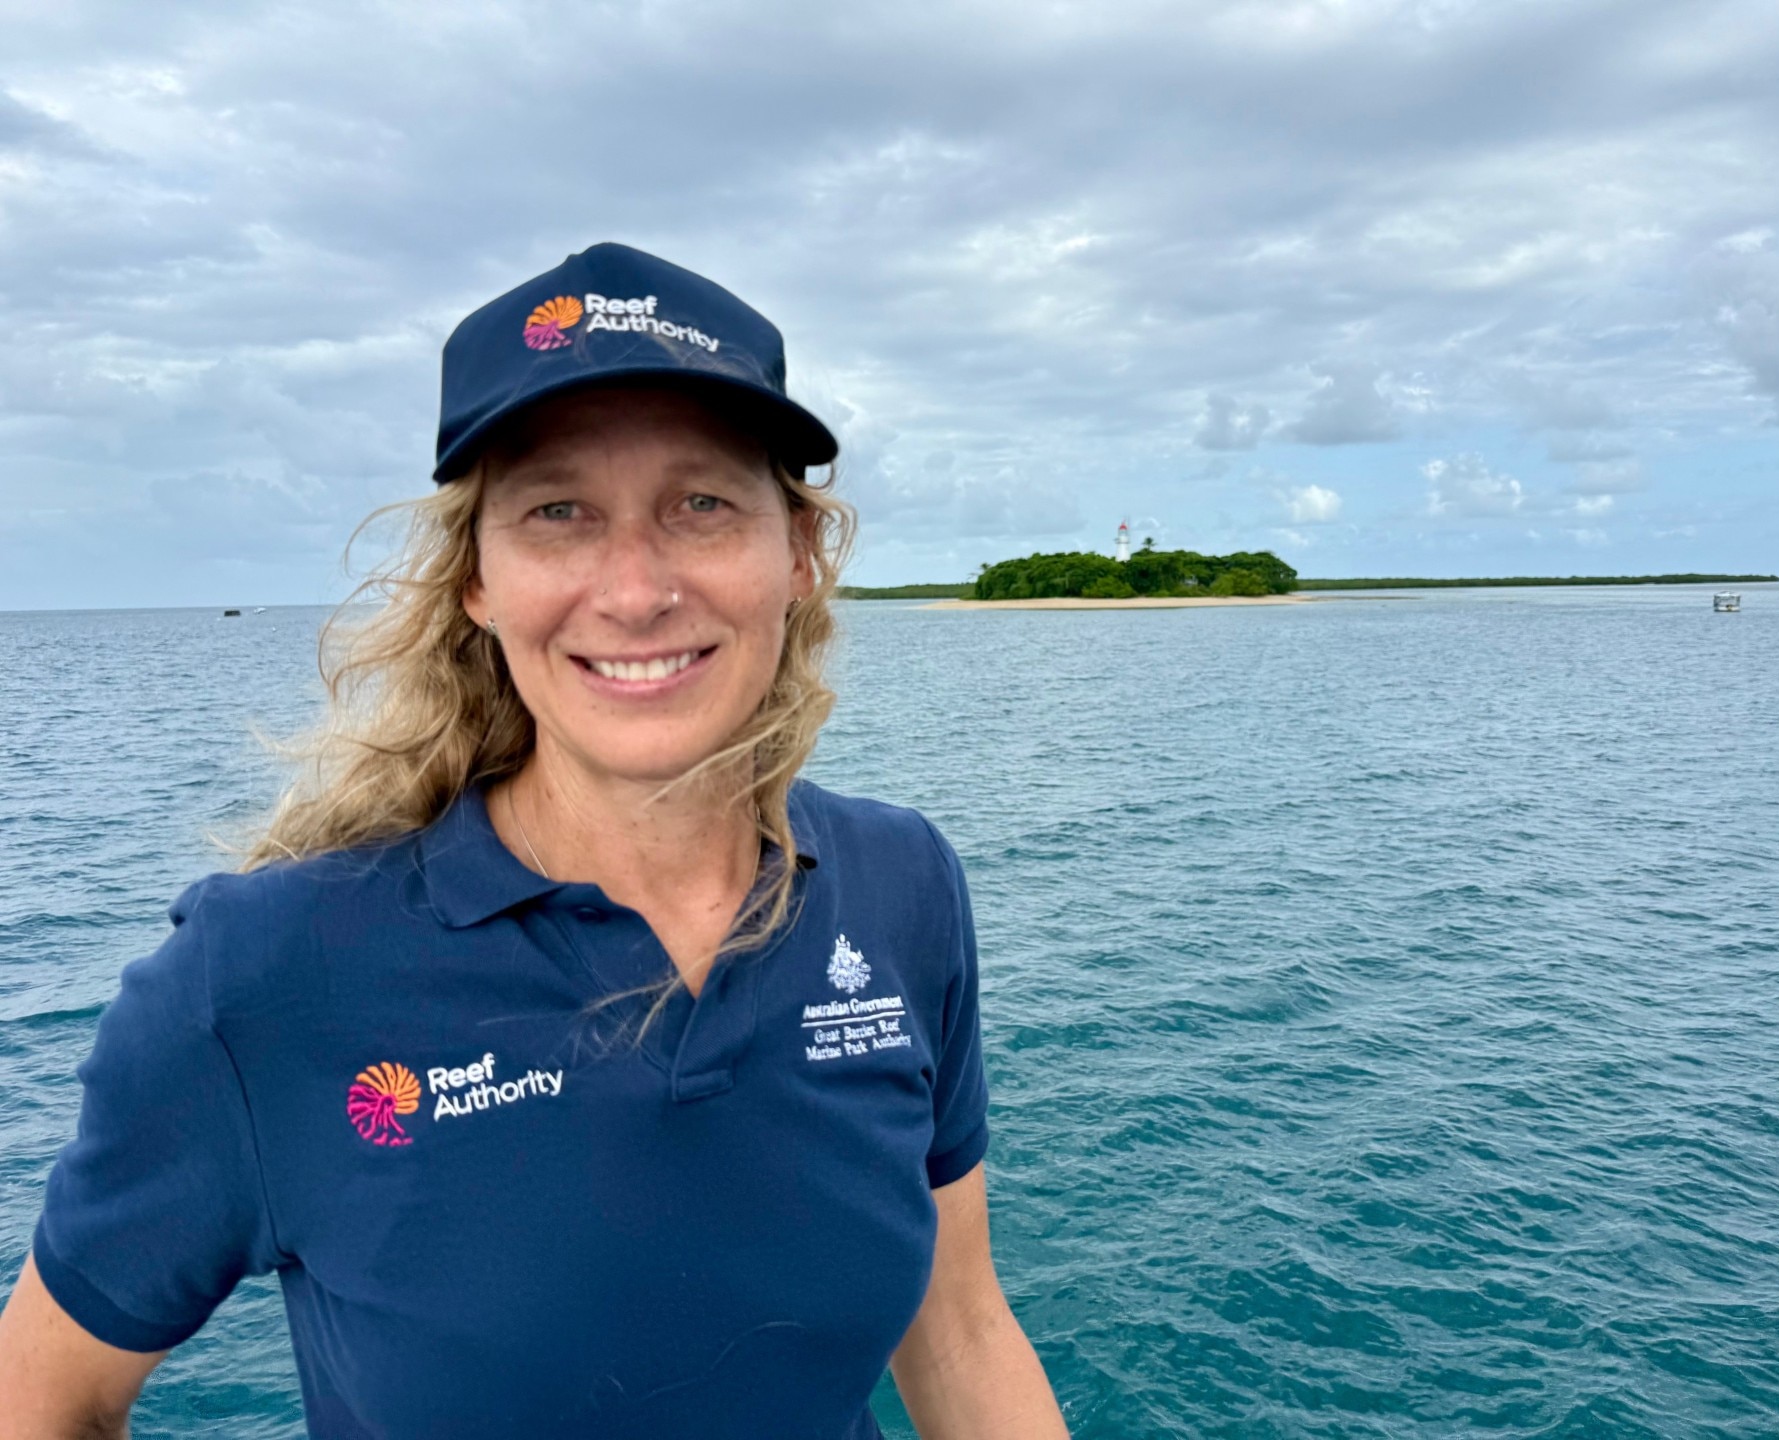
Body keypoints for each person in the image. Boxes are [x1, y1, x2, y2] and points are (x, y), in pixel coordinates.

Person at [0, 243, 1070, 1439]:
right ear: (477, 581)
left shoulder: (900, 883)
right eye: (558, 513)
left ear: (800, 557)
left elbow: (963, 1329)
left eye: (702, 502)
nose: (633, 589)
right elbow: (44, 1403)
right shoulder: (261, 972)